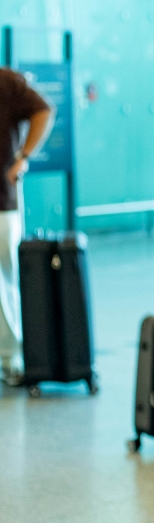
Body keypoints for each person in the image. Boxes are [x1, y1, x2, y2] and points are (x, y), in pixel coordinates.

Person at [0, 68, 55, 386]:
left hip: (1, 201)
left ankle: (11, 358)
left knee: (4, 281)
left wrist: (23, 156)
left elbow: (43, 111)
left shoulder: (6, 82)